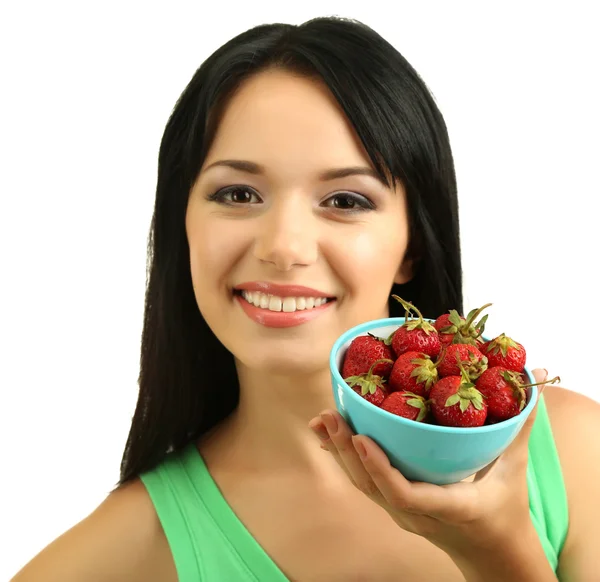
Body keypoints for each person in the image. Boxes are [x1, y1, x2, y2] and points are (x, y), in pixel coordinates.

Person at [12, 16, 600, 582]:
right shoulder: (125, 552)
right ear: (181, 225)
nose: (284, 248)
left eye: (346, 200)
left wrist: (503, 553)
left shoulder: (579, 455)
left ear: (411, 247)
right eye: (238, 193)